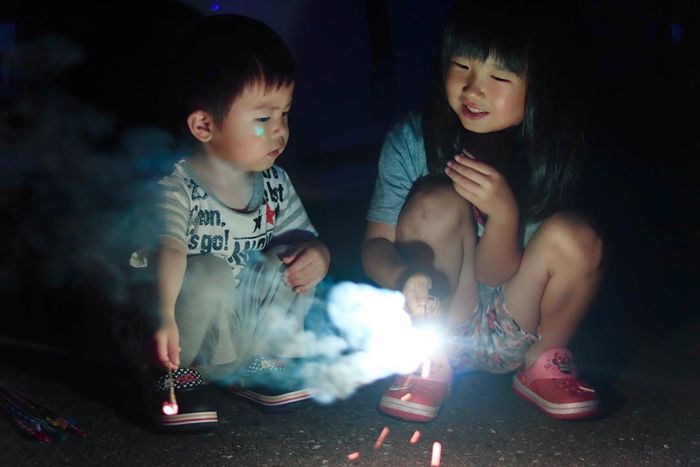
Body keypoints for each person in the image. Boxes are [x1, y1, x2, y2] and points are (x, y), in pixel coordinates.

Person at [362, 0, 603, 422]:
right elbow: (375, 246)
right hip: (440, 317)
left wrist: (505, 215)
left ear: (538, 86)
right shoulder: (411, 140)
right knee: (434, 200)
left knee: (579, 236)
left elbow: (496, 274)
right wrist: (405, 277)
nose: (474, 90)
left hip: (519, 322)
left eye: (499, 77)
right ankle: (427, 364)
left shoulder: (547, 151)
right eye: (462, 67)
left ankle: (544, 362)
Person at [135, 14, 330, 432]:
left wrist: (318, 255)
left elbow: (306, 238)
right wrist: (163, 316)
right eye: (263, 118)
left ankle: (257, 367)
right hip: (173, 334)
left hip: (235, 331)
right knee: (206, 269)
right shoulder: (175, 185)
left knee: (292, 258)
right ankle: (170, 380)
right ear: (204, 124)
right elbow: (167, 249)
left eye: (285, 114)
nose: (280, 131)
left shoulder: (274, 183)